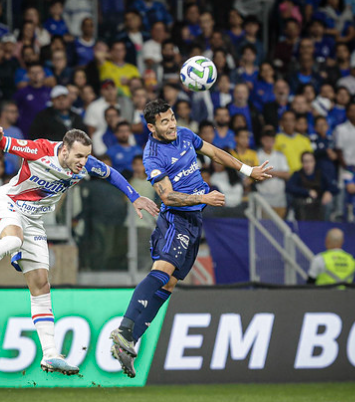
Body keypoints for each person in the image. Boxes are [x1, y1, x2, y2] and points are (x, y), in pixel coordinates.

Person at [0, 126, 159, 376]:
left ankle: (50, 354)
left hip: (34, 220)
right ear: (64, 150)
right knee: (13, 241)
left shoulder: (86, 164)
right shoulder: (40, 150)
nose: (83, 162)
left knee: (41, 285)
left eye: (87, 156)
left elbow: (110, 174)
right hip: (9, 205)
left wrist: (134, 197)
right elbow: (6, 143)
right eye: (79, 157)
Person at [109, 99, 272, 378]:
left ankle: (129, 342)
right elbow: (166, 196)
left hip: (195, 220)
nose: (172, 124)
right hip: (176, 219)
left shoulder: (184, 134)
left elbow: (215, 152)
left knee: (170, 284)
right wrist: (203, 197)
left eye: (172, 118)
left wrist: (247, 170)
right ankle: (124, 330)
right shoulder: (152, 155)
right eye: (164, 121)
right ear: (151, 127)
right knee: (162, 271)